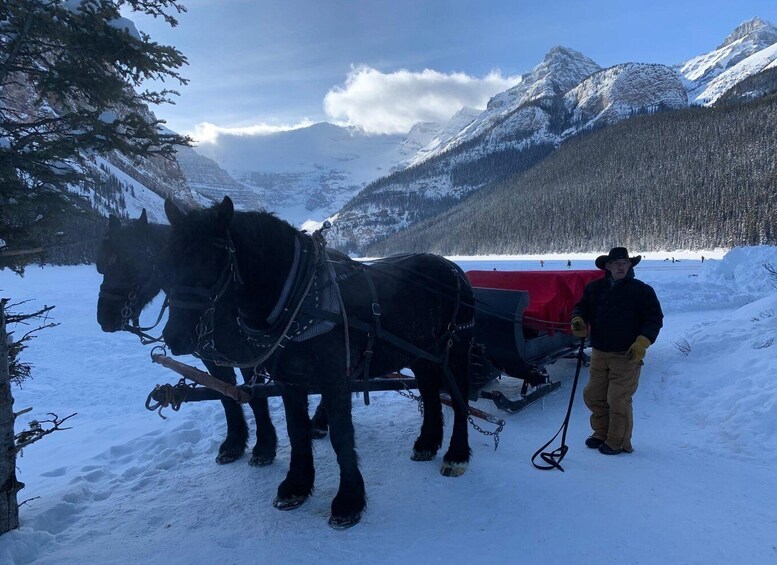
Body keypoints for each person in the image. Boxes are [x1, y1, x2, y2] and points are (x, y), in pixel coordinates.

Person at [570, 247, 663, 455]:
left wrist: (642, 342)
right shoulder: (595, 288)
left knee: (618, 399)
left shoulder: (642, 291)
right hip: (600, 352)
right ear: (608, 266)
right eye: (615, 263)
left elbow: (654, 318)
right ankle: (602, 433)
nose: (620, 266)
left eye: (624, 262)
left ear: (630, 265)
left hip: (627, 354)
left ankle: (618, 441)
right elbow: (581, 308)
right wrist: (577, 319)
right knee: (594, 395)